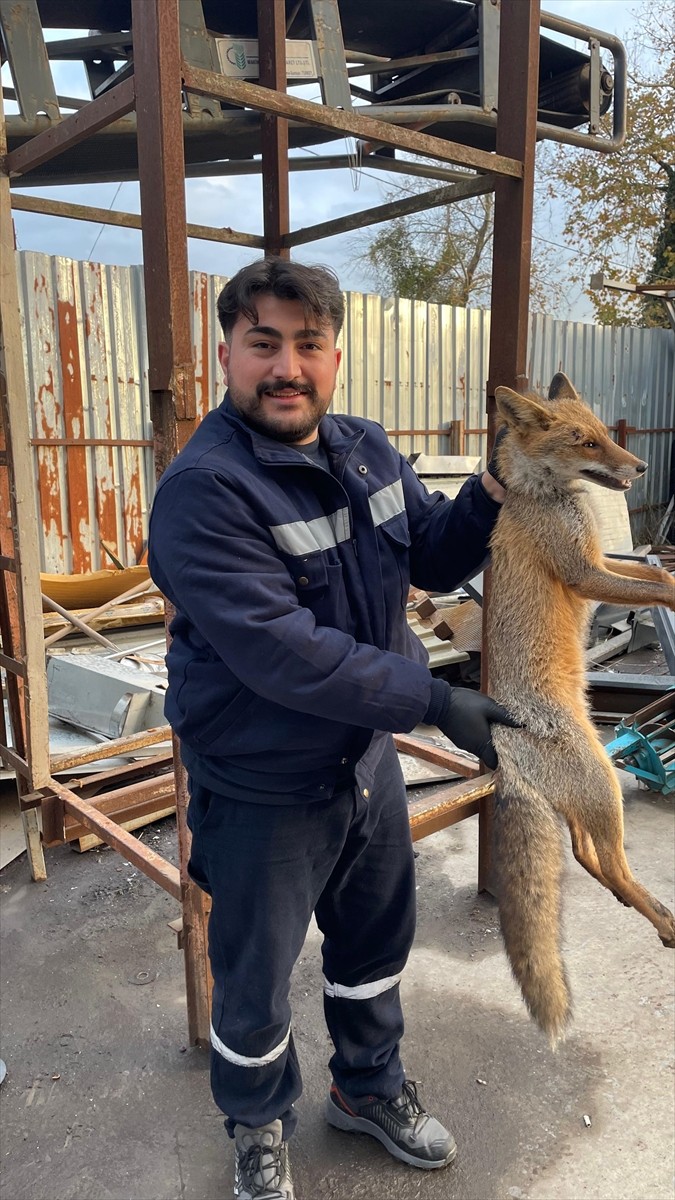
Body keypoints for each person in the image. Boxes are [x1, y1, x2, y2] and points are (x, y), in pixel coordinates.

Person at [148, 257, 516, 1200]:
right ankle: (258, 1123)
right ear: (226, 352)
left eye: (306, 345)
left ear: (335, 355)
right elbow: (283, 651)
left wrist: (493, 489)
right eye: (263, 344)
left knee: (371, 950)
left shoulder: (363, 447)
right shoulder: (205, 491)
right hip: (262, 782)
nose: (286, 367)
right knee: (254, 981)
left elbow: (430, 554)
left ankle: (366, 1088)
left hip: (363, 760)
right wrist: (435, 701)